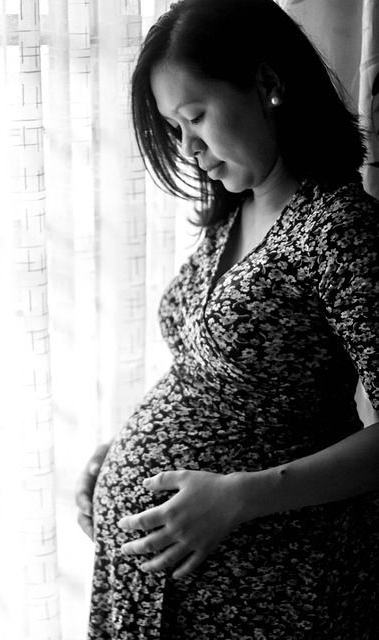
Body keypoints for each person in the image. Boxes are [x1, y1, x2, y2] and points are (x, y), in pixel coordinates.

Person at [76, 0, 379, 637]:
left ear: (268, 85)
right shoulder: (233, 215)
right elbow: (211, 382)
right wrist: (123, 461)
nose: (187, 148)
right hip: (169, 584)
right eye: (172, 128)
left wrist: (240, 494)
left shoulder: (337, 231)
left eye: (195, 118)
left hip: (273, 591)